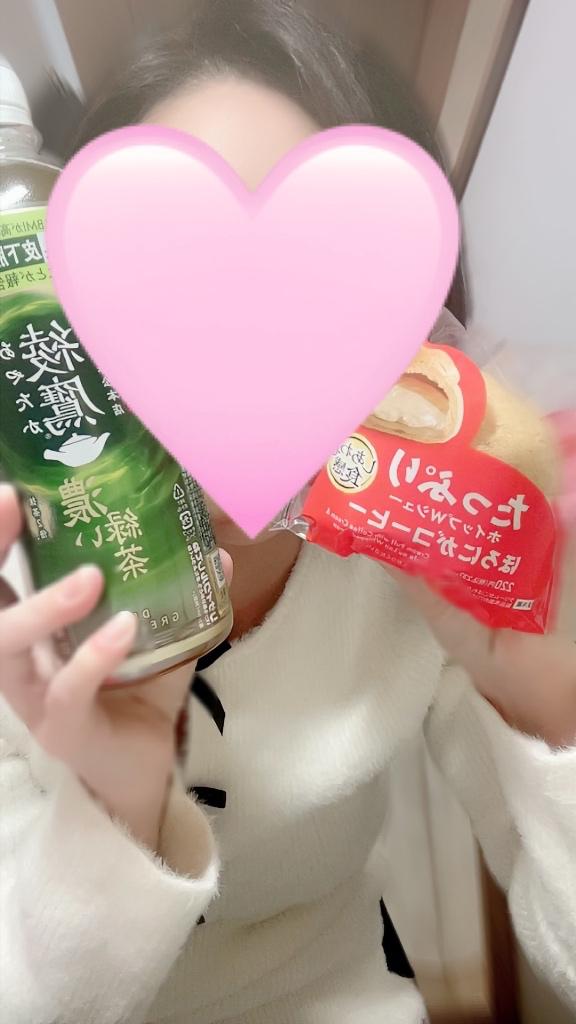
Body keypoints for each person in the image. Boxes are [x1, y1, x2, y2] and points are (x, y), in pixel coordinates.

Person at [1, 2, 575, 1022]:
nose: (233, 369)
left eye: (306, 297)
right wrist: (116, 804)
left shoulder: (419, 574)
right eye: (168, 286)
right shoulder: (23, 593)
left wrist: (548, 703)